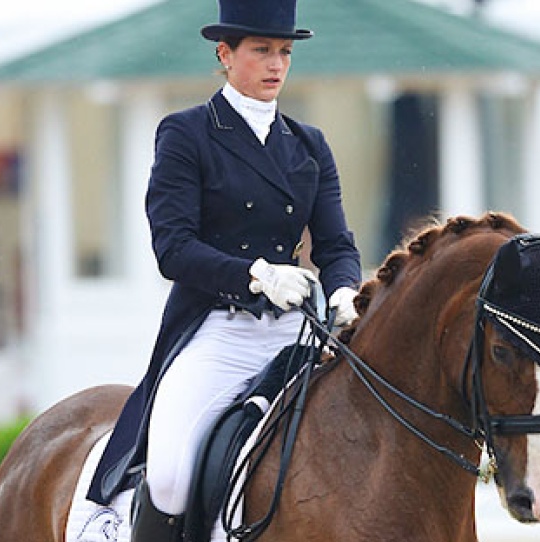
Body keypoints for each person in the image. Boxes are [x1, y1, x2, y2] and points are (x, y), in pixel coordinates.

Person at [87, 1, 362, 539]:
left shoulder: (308, 145)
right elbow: (173, 248)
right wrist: (256, 275)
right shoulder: (187, 133)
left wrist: (345, 291)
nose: (276, 64)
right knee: (169, 478)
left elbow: (335, 244)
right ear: (225, 54)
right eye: (261, 50)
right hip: (218, 331)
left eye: (284, 52)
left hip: (294, 333)